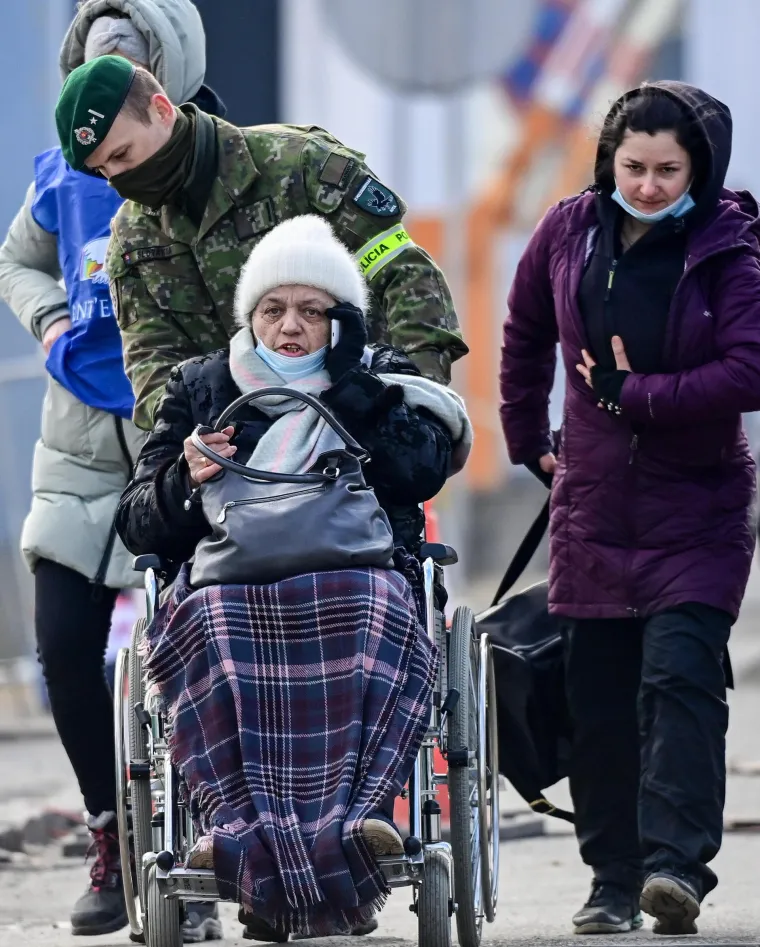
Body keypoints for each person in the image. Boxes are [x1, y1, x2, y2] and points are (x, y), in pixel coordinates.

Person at [115, 214, 472, 939]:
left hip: (356, 576)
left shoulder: (377, 375)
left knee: (375, 604)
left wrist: (355, 394)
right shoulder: (203, 386)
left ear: (340, 320)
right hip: (228, 582)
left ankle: (356, 820)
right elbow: (138, 520)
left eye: (312, 311)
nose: (290, 326)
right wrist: (186, 478)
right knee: (208, 621)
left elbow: (423, 472)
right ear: (250, 314)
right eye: (274, 309)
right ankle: (241, 830)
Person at [499, 81, 760, 936]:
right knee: (601, 697)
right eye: (633, 165)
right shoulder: (568, 231)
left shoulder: (734, 252)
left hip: (700, 509)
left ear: (702, 169)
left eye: (667, 168)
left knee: (680, 681)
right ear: (610, 158)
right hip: (594, 506)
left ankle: (676, 868)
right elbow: (525, 328)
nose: (646, 184)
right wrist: (522, 432)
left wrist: (633, 393)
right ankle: (612, 879)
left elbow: (749, 370)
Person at [0, 1, 225, 939]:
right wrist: (51, 319)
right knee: (61, 642)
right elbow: (18, 260)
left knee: (205, 650)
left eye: (129, 58)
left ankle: (209, 839)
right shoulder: (60, 169)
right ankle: (110, 831)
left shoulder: (219, 158)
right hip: (79, 442)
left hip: (191, 441)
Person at [52, 55, 468, 435]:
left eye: (123, 154)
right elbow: (152, 363)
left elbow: (407, 278)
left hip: (356, 432)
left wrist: (415, 404)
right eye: (103, 170)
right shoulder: (133, 236)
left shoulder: (299, 166)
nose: (118, 178)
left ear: (161, 110)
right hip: (238, 464)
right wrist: (197, 444)